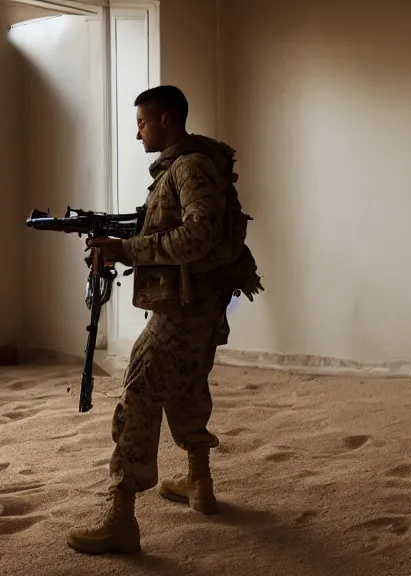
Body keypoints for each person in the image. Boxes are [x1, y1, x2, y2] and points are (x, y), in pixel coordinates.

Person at [66, 85, 263, 555]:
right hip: (203, 305)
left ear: (168, 120)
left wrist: (128, 248)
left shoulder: (189, 166)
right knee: (188, 387)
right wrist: (123, 240)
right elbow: (177, 229)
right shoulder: (185, 166)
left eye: (141, 123)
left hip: (185, 308)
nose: (137, 134)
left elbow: (198, 234)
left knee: (139, 393)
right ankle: (199, 483)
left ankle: (120, 516)